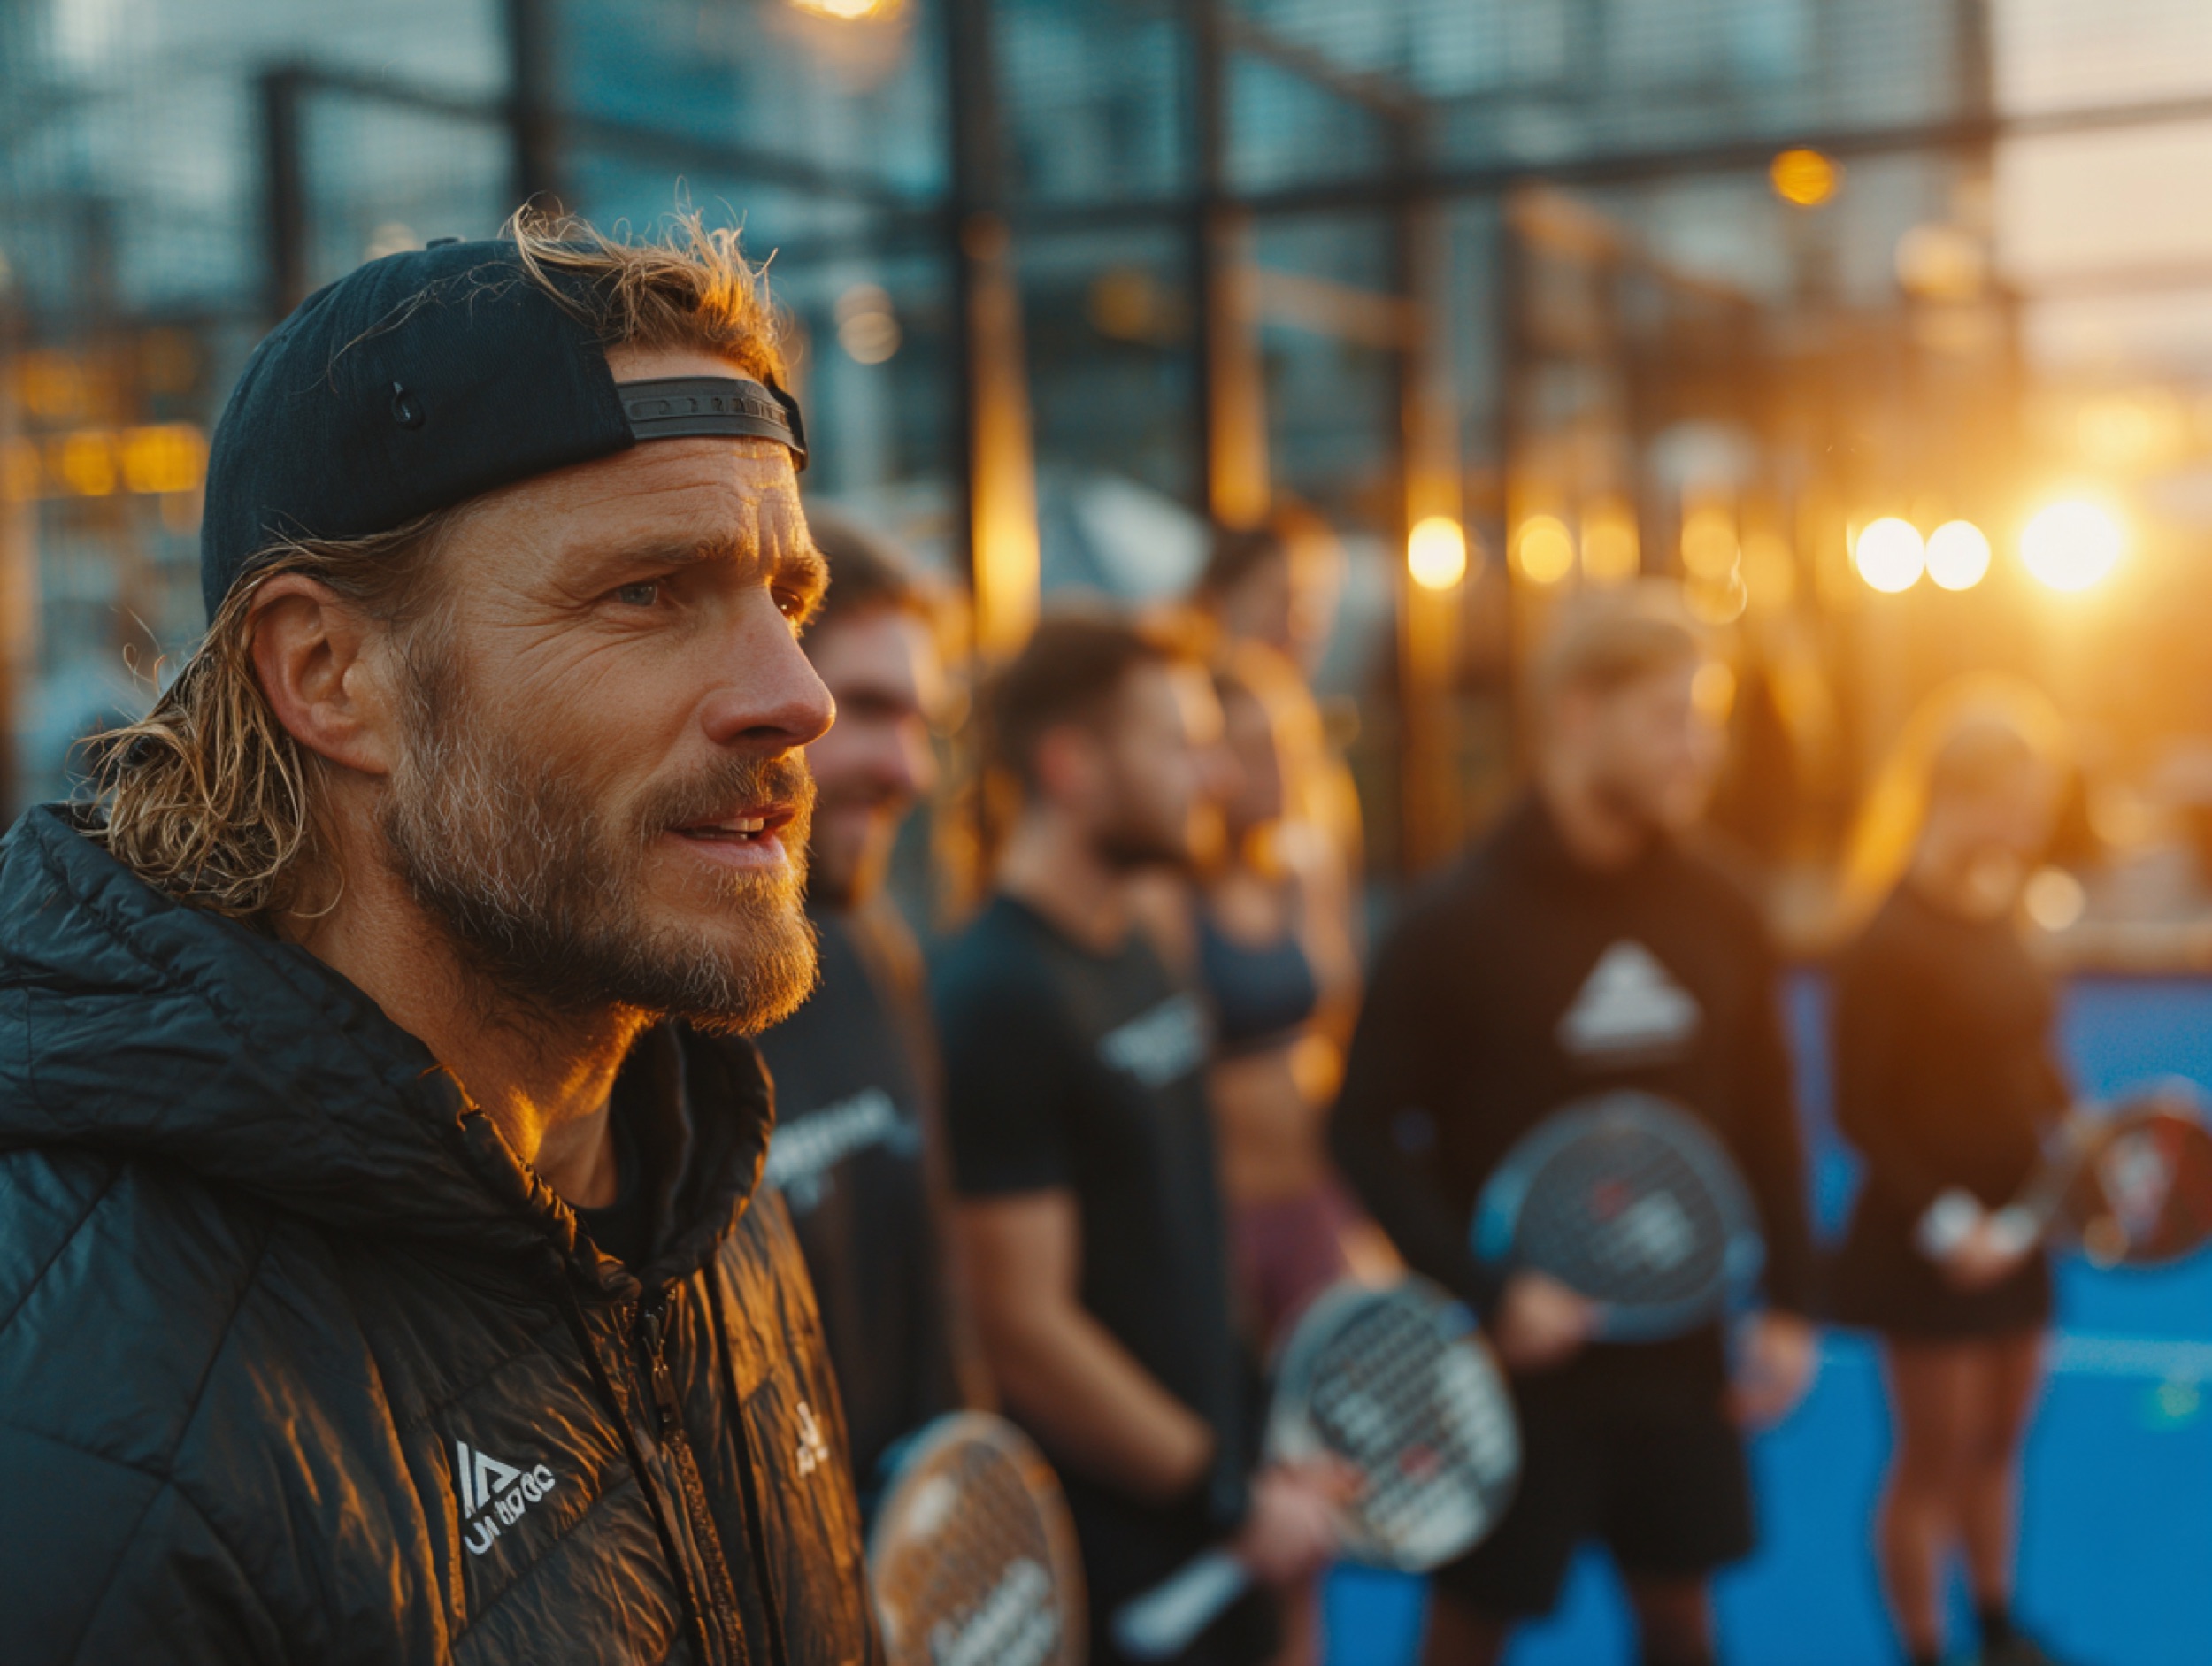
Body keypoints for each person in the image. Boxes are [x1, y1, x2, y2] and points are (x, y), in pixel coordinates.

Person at [0, 215, 883, 1663]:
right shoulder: (81, 1431)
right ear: (330, 675)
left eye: (787, 599)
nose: (797, 694)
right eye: (648, 592)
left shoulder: (690, 1178)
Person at [1330, 581, 1818, 1666]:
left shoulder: (1722, 905)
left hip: (1680, 1350)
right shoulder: (1451, 922)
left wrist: (1790, 1299)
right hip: (1515, 1368)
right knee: (1468, 1634)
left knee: (1681, 1625)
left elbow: (1767, 1111)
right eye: (1670, 718)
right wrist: (1490, 1288)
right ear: (1575, 715)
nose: (1699, 749)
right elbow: (1360, 1130)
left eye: (1707, 718)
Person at [933, 614, 1342, 1666]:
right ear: (1072, 765)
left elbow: (1194, 1231)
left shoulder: (1136, 948)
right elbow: (1024, 1327)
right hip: (1129, 1545)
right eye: (1174, 743)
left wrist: (1261, 1449)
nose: (1207, 774)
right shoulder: (997, 992)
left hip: (1225, 1492)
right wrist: (1217, 1488)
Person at [1826, 681, 2073, 1666]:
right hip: (1925, 1245)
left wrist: (2081, 1133)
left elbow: (2030, 1052)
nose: (2036, 820)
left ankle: (1997, 1623)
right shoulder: (1883, 937)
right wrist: (1945, 1221)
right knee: (1931, 1457)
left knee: (2000, 1439)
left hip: (2022, 1227)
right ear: (1962, 794)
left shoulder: (2003, 902)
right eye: (2023, 797)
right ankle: (1925, 1646)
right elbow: (1856, 1109)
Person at [755, 507, 978, 1505]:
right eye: (870, 709)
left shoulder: (871, 939)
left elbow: (936, 1278)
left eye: (921, 722)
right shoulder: (645, 1010)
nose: (910, 770)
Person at [1196, 641, 1377, 1347]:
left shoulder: (1309, 866)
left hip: (1317, 1196)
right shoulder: (1175, 896)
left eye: (1278, 744)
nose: (1269, 767)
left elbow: (1339, 1024)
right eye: (1243, 747)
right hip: (1231, 1211)